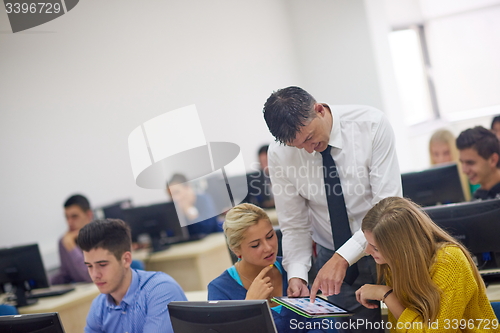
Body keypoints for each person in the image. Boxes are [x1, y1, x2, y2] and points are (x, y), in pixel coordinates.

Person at [263, 86, 401, 332]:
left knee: (407, 323)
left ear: (319, 110)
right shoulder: (279, 154)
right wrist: (297, 274)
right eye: (297, 146)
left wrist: (343, 257)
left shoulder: (371, 125)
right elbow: (294, 223)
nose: (308, 150)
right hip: (330, 256)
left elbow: (388, 209)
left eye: (308, 138)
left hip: (386, 248)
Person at [356, 197, 496, 331]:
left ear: (401, 248)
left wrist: (386, 294)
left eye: (375, 247)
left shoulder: (449, 261)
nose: (368, 251)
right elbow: (401, 328)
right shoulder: (395, 263)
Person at [208, 203, 328, 333]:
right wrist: (249, 307)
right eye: (255, 245)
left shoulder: (292, 270)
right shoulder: (220, 290)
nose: (268, 247)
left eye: (270, 236)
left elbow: (320, 323)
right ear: (236, 250)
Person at [77, 219, 187, 333]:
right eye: (89, 266)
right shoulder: (99, 306)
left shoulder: (161, 290)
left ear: (126, 259)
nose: (95, 275)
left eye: (102, 265)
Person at [51, 194, 93, 284]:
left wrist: (71, 247)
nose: (69, 222)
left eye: (74, 216)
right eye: (67, 217)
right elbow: (65, 275)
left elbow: (91, 276)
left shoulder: (101, 237)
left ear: (89, 215)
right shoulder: (64, 241)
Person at [428, 129, 476, 200]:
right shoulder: (430, 185)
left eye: (446, 153)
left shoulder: (471, 178)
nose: (441, 159)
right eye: (436, 154)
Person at [456, 126, 500, 200]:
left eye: (470, 163)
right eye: (462, 162)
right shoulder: (477, 198)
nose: (464, 170)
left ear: (493, 160)